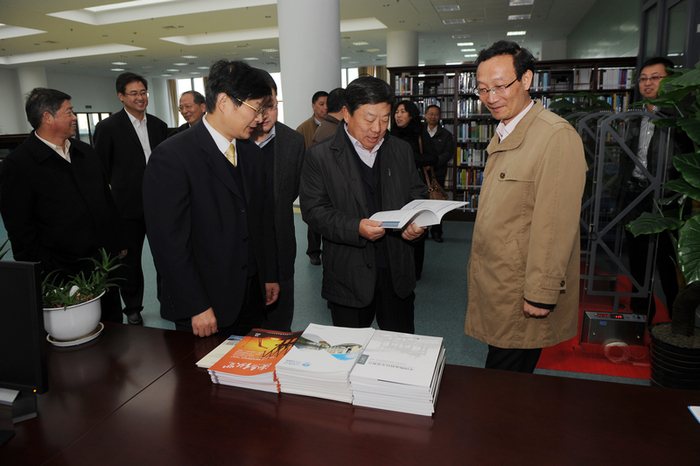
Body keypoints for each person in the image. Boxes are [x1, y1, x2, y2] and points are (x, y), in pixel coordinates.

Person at [463, 41, 587, 373]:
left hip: (522, 288)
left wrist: (542, 292)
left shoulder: (554, 136)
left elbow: (556, 225)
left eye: (501, 86)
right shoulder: (505, 132)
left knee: (504, 381)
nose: (491, 97)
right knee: (507, 380)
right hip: (499, 281)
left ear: (527, 80)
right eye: (484, 89)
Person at [142, 60, 279, 338]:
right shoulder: (172, 156)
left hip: (250, 294)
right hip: (205, 305)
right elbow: (168, 243)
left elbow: (262, 220)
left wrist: (268, 274)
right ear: (225, 102)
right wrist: (196, 305)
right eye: (256, 108)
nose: (261, 117)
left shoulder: (251, 153)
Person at [300, 77, 428, 334]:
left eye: (384, 119)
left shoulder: (400, 150)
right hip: (349, 276)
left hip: (396, 274)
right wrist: (355, 227)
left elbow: (417, 193)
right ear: (347, 113)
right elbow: (314, 211)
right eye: (369, 119)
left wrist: (417, 222)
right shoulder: (321, 156)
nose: (377, 128)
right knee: (348, 355)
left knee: (399, 351)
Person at [0, 88, 124, 322]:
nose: (75, 117)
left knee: (113, 330)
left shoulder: (84, 151)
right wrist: (46, 271)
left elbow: (106, 202)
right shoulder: (19, 165)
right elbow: (20, 231)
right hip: (62, 274)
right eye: (69, 112)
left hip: (102, 266)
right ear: (47, 117)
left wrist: (117, 242)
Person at [620, 57, 691, 321]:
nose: (648, 83)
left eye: (655, 77)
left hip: (667, 198)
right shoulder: (634, 115)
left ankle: (675, 319)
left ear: (670, 80)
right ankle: (640, 317)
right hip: (635, 194)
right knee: (637, 259)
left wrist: (680, 195)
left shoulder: (681, 117)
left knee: (666, 260)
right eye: (643, 78)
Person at [94, 72, 168, 325]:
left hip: (159, 204)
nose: (140, 97)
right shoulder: (107, 128)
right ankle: (133, 308)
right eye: (134, 93)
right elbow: (101, 171)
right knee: (130, 263)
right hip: (126, 208)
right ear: (121, 96)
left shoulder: (159, 126)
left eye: (143, 92)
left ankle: (169, 302)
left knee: (166, 257)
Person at [251, 71, 306, 332]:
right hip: (244, 255)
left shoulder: (293, 141)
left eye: (271, 106)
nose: (265, 116)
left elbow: (292, 190)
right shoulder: (235, 141)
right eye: (259, 108)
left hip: (281, 247)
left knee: (280, 328)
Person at [390, 100, 437, 280]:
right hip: (394, 187)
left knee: (416, 228)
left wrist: (409, 159)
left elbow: (433, 157)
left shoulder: (420, 133)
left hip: (415, 187)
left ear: (411, 115)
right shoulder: (390, 134)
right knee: (397, 228)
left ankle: (416, 270)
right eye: (396, 112)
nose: (398, 115)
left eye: (403, 112)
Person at [424, 104, 454, 243]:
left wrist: (433, 163)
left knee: (436, 203)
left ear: (439, 117)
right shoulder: (420, 132)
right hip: (421, 173)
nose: (433, 116)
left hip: (438, 174)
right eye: (430, 113)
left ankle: (436, 231)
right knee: (422, 202)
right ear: (425, 115)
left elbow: (448, 153)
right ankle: (422, 231)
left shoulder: (446, 134)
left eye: (436, 114)